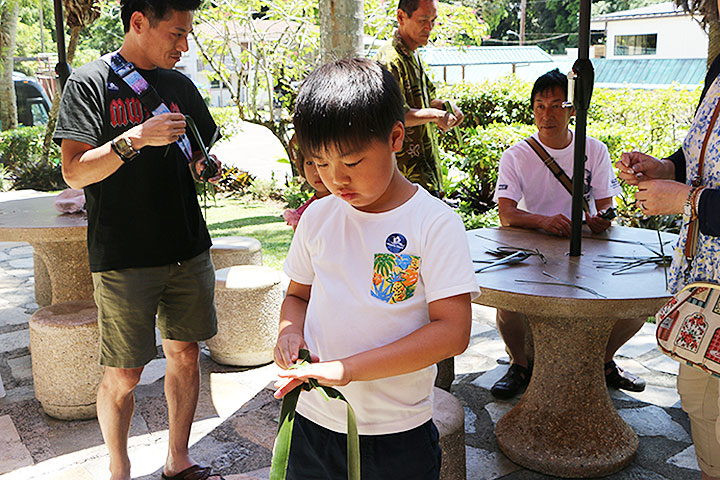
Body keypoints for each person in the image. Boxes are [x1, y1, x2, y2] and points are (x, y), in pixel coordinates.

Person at [273, 58, 479, 479]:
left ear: (395, 137)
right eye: (321, 164)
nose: (336, 180)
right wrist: (289, 331)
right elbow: (297, 294)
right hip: (312, 422)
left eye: (351, 162)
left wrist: (346, 370)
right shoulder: (317, 217)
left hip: (396, 436)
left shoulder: (434, 223)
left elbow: (452, 332)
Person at [53, 1, 223, 479]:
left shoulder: (180, 86)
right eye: (176, 33)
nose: (184, 45)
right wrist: (136, 138)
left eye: (188, 34)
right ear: (139, 22)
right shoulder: (89, 82)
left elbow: (197, 155)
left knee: (186, 354)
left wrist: (206, 169)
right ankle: (118, 468)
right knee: (124, 374)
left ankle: (178, 458)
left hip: (187, 248)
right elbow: (73, 172)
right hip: (123, 254)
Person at [490, 68, 645, 399]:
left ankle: (603, 361)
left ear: (572, 110)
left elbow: (607, 206)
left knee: (636, 303)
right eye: (540, 105)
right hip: (533, 247)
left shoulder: (595, 149)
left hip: (585, 244)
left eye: (557, 105)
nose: (547, 114)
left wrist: (602, 218)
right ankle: (519, 364)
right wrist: (544, 221)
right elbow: (507, 215)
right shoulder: (516, 155)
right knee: (508, 303)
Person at [616, 51, 720, 480]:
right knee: (699, 402)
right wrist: (666, 166)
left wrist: (688, 201)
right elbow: (701, 153)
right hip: (704, 287)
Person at [376, 0, 463, 198]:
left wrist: (447, 107)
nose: (429, 27)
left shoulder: (413, 55)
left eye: (433, 20)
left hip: (424, 176)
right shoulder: (390, 59)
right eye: (423, 20)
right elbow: (394, 116)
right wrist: (434, 115)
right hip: (403, 180)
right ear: (400, 17)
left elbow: (425, 102)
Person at [283, 135, 331, 231]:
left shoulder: (353, 202)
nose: (316, 171)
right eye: (310, 163)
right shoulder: (302, 215)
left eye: (324, 163)